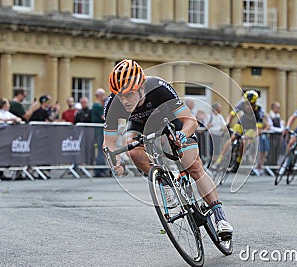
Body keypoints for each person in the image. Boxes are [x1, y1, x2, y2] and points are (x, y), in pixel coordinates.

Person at [103, 59, 233, 235]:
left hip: (172, 121)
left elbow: (190, 121)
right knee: (131, 147)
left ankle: (221, 218)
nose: (124, 101)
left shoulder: (158, 88)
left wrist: (182, 135)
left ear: (141, 87)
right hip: (139, 124)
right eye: (120, 96)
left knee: (194, 166)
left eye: (129, 95)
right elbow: (109, 142)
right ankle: (165, 183)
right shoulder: (113, 103)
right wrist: (114, 159)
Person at [215, 90, 264, 173]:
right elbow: (231, 115)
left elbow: (258, 129)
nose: (248, 107)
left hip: (252, 127)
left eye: (251, 104)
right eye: (247, 104)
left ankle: (238, 161)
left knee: (244, 142)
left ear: (255, 103)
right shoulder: (241, 104)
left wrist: (253, 138)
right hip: (242, 123)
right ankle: (219, 161)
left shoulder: (259, 111)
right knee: (232, 138)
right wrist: (227, 123)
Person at [91, 88, 108, 177]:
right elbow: (104, 117)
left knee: (101, 150)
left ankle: (101, 168)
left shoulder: (97, 105)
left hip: (99, 130)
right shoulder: (97, 106)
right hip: (99, 130)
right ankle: (100, 169)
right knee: (101, 150)